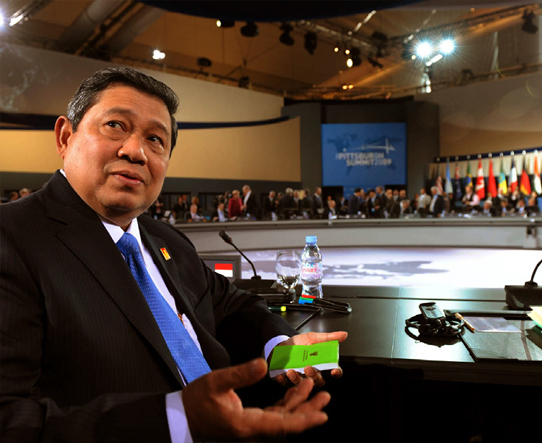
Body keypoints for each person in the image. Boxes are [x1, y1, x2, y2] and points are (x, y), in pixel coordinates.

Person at [0, 67, 347, 442]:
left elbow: (230, 304)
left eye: (155, 140)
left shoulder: (165, 238)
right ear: (65, 137)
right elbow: (9, 418)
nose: (135, 151)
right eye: (116, 125)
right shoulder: (12, 238)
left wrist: (280, 346)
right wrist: (176, 420)